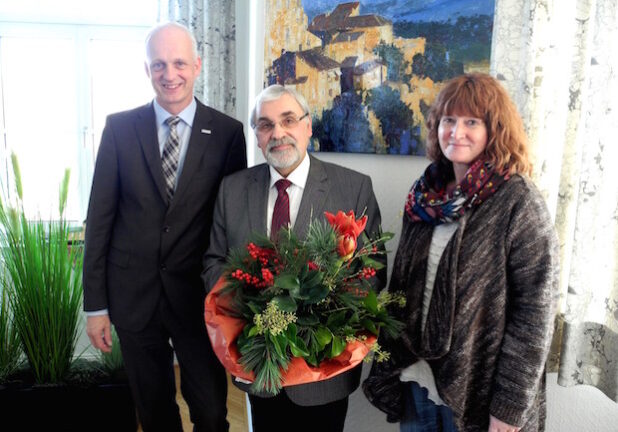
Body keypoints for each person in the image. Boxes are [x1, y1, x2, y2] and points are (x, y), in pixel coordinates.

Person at [363, 73, 559, 432]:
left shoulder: (518, 201)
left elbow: (535, 313)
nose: (457, 132)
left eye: (472, 122)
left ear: (494, 129)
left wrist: (510, 407)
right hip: (418, 379)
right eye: (448, 120)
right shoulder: (425, 194)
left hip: (479, 395)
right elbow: (404, 286)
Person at [83, 22, 247, 432]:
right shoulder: (119, 129)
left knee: (211, 410)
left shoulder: (227, 133)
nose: (169, 74)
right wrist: (96, 307)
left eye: (178, 63)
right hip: (133, 298)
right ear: (147, 70)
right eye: (159, 64)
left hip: (199, 298)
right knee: (154, 412)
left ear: (197, 65)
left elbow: (232, 221)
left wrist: (236, 298)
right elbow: (99, 219)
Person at [202, 84, 385, 432]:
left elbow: (371, 272)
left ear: (308, 126)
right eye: (266, 124)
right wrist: (249, 307)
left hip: (323, 373)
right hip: (257, 364)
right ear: (256, 135)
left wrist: (317, 318)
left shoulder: (353, 187)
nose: (278, 133)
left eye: (288, 120)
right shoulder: (232, 190)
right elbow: (214, 262)